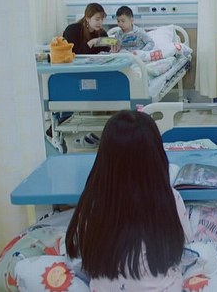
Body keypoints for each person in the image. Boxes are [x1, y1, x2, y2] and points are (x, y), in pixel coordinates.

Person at [65, 110, 192, 291]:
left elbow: (82, 251)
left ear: (104, 158)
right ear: (156, 156)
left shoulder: (92, 204)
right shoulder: (170, 199)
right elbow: (183, 244)